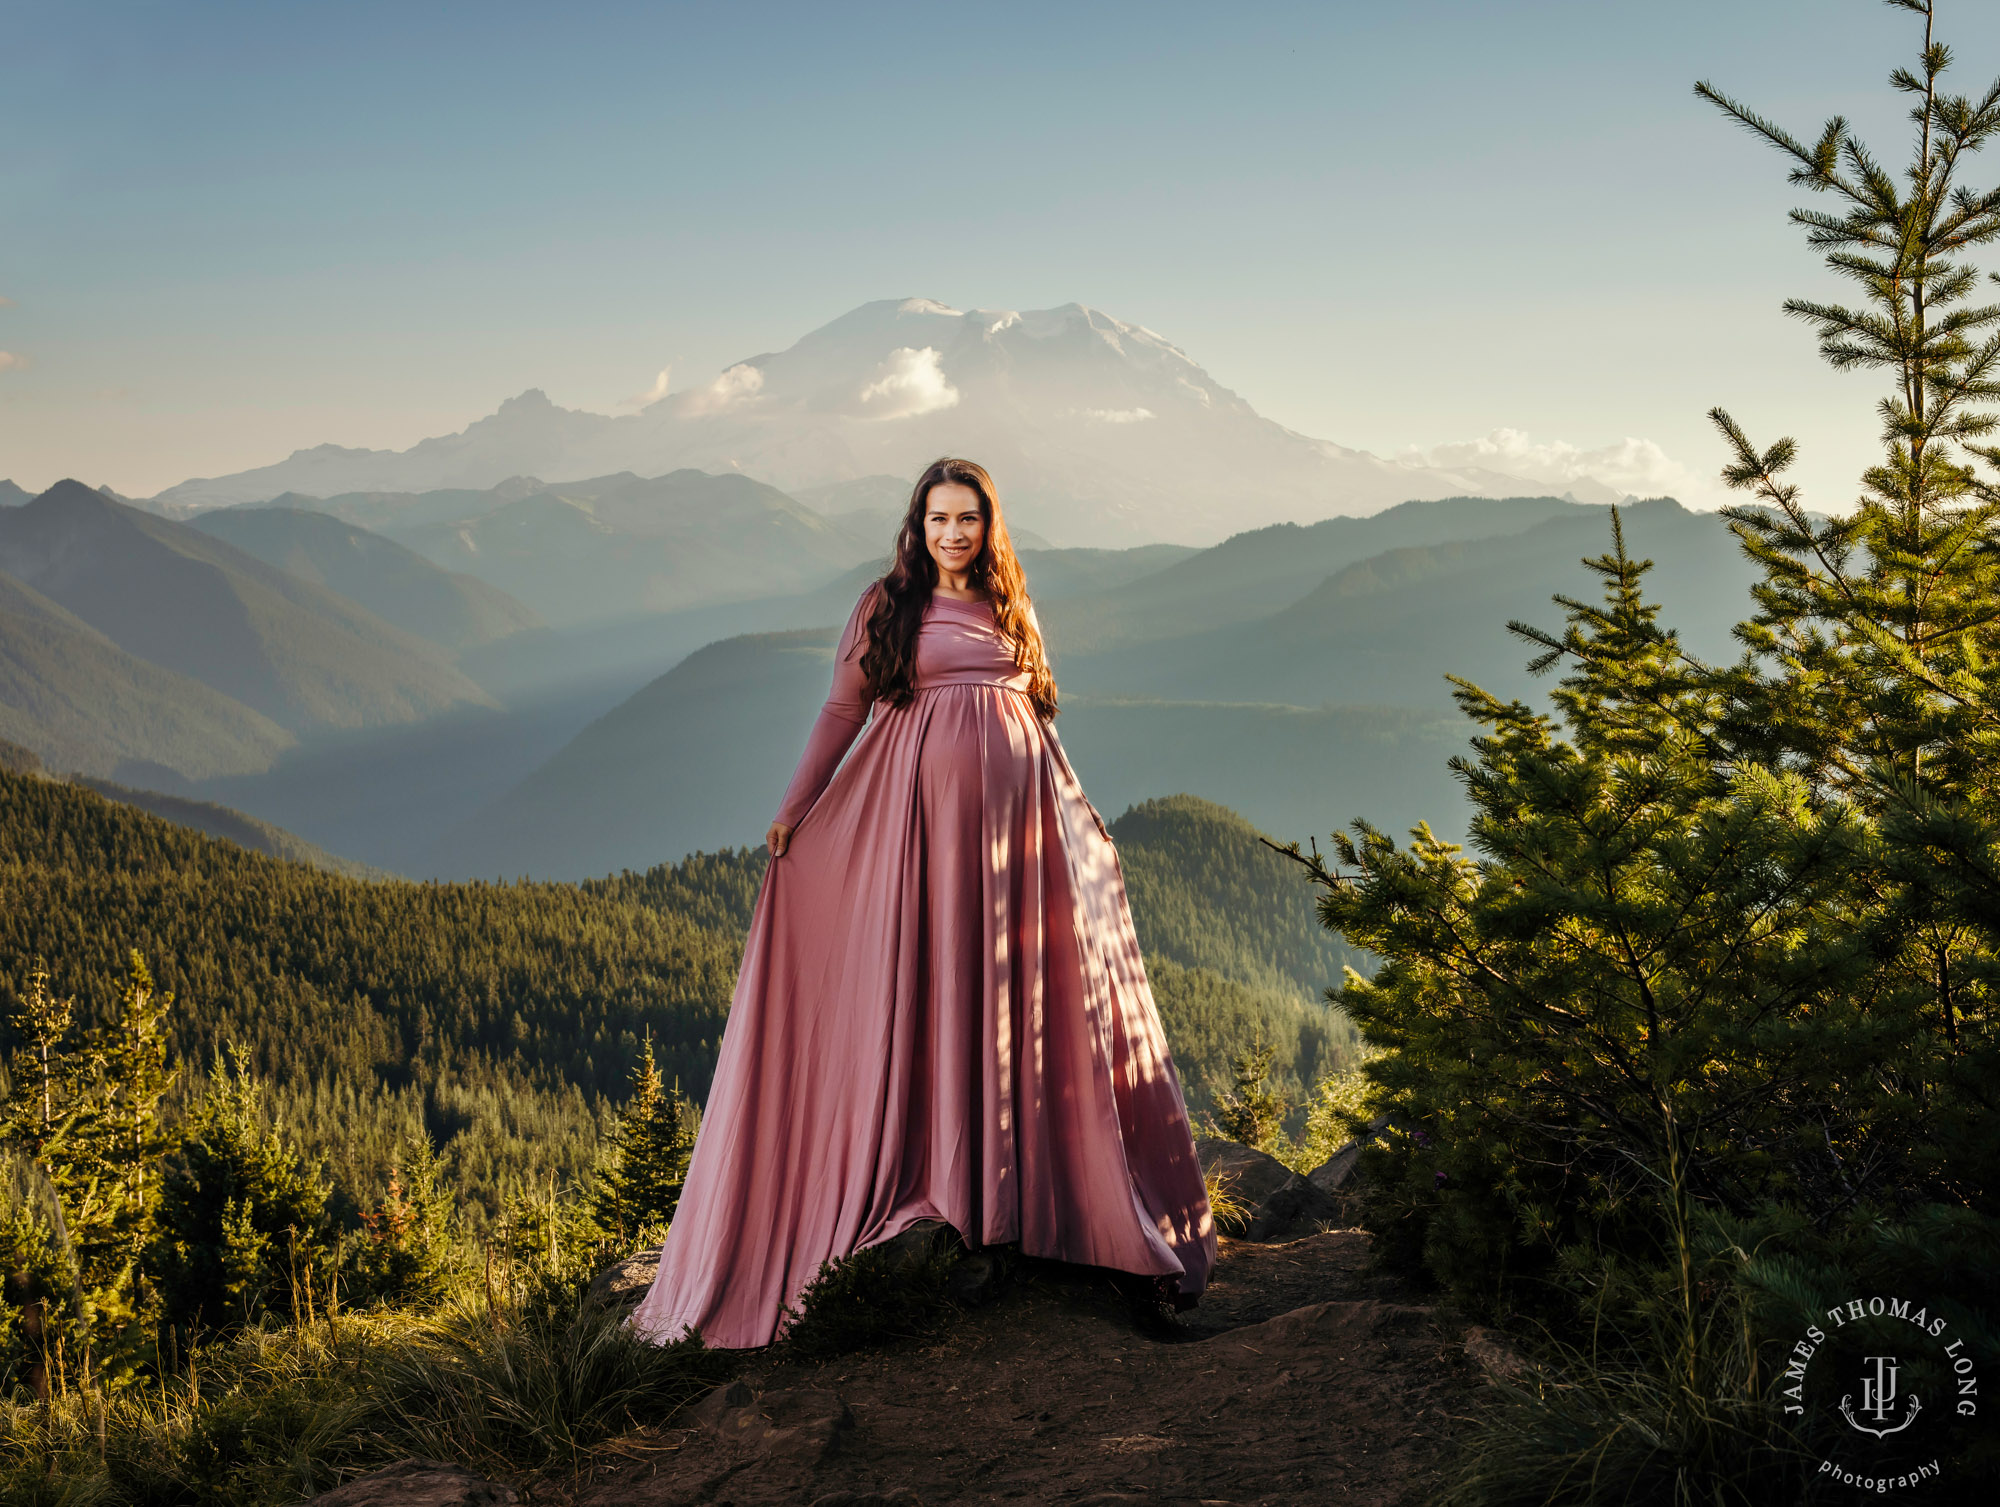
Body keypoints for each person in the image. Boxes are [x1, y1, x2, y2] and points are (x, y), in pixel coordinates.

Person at [628, 457, 1215, 1349]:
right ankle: (948, 1185)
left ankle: (1042, 1201)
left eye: (968, 519)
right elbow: (841, 711)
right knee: (939, 992)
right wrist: (795, 808)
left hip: (1020, 843)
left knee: (1024, 1006)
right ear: (917, 524)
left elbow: (1039, 716)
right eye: (939, 518)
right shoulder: (887, 604)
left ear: (989, 524)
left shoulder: (1011, 601)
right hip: (922, 833)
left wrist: (1078, 814)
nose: (954, 533)